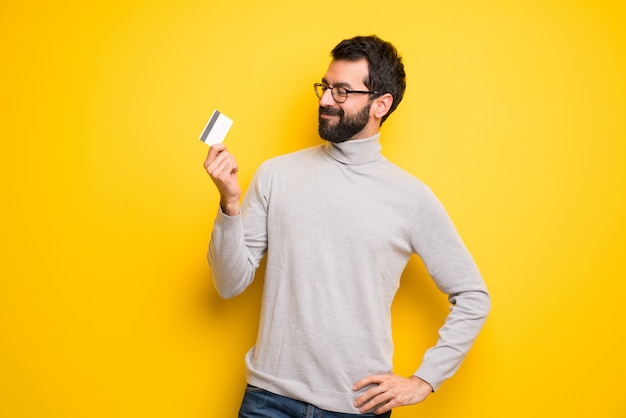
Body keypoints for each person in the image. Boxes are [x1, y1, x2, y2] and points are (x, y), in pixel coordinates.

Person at [204, 35, 490, 417]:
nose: (324, 100)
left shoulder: (411, 197)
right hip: (268, 400)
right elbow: (228, 283)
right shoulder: (276, 174)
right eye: (325, 87)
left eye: (342, 92)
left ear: (381, 104)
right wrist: (230, 205)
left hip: (356, 407)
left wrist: (424, 380)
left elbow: (473, 296)